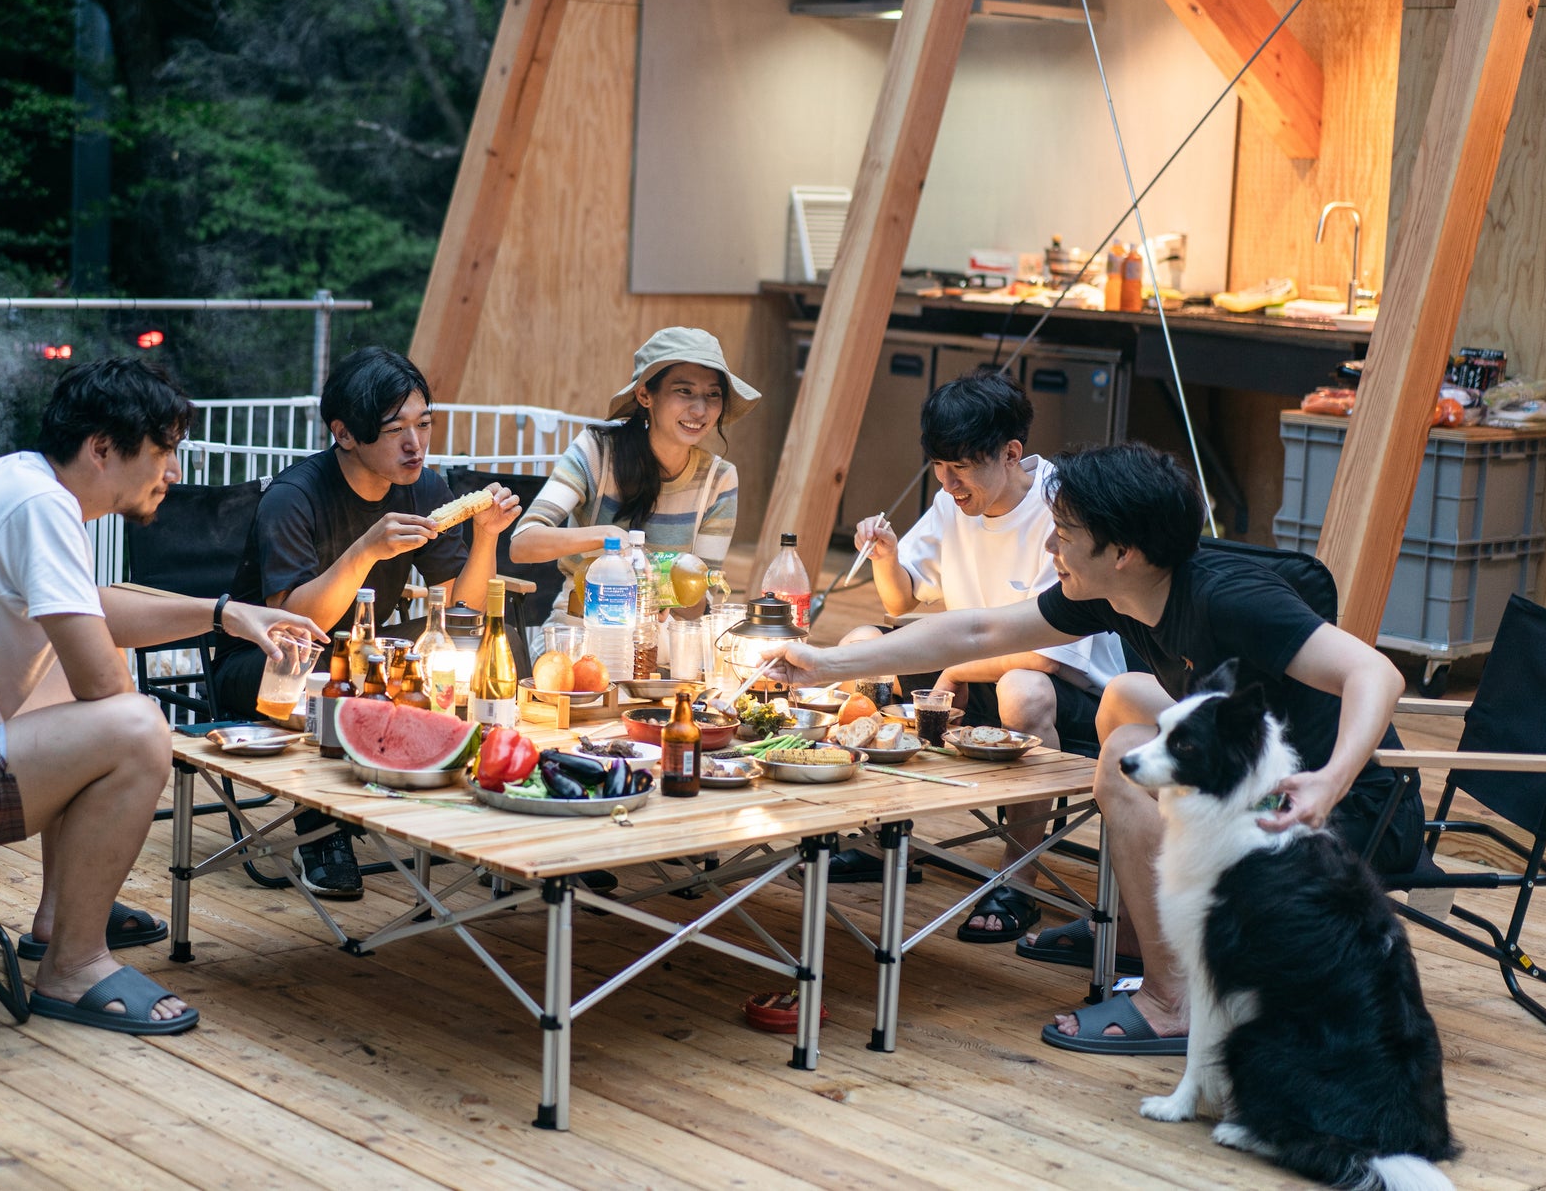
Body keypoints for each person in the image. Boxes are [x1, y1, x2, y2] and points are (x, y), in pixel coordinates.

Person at [773, 442, 1422, 1056]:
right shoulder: (1119, 594)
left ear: (1124, 552)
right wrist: (827, 662)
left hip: (1337, 808)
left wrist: (1332, 779)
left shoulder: (1233, 598)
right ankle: (1140, 943)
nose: (1051, 544)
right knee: (1124, 701)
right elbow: (978, 629)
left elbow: (1376, 674)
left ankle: (1173, 1005)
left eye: (1066, 532)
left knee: (1122, 760)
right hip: (1242, 772)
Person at [0, 358, 322, 1036]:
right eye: (164, 451)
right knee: (137, 727)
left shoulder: (24, 480)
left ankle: (62, 915)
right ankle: (74, 964)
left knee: (101, 666)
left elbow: (90, 612)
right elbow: (103, 693)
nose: (174, 472)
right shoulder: (40, 506)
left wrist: (228, 613)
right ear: (102, 448)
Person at [210, 346, 519, 898]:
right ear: (345, 433)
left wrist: (489, 535)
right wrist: (363, 553)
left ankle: (500, 812)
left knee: (492, 647)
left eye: (423, 424)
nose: (415, 444)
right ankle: (323, 834)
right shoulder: (295, 496)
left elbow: (463, 608)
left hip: (367, 653)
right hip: (267, 662)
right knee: (329, 677)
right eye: (395, 428)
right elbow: (289, 626)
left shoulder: (424, 488)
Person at [828, 373, 1125, 937]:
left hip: (1075, 688)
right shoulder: (950, 502)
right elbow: (902, 597)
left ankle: (1019, 881)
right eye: (940, 465)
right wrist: (886, 557)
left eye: (961, 466)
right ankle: (877, 839)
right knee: (860, 650)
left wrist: (954, 669)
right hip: (970, 671)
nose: (948, 481)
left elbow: (1048, 653)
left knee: (1021, 685)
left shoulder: (1064, 504)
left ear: (1011, 454)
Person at [509, 327, 757, 627]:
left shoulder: (720, 480)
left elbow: (699, 607)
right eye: (684, 391)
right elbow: (522, 544)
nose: (700, 410)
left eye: (713, 395)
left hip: (662, 644)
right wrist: (607, 538)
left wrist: (665, 590)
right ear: (644, 395)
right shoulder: (597, 451)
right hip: (579, 632)